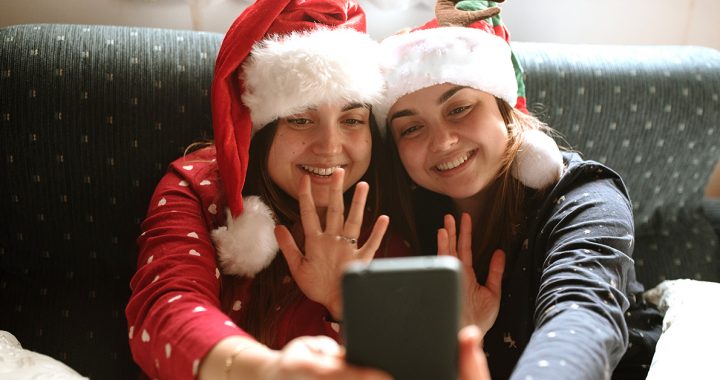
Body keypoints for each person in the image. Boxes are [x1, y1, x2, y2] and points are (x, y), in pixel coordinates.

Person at [124, 1, 416, 378]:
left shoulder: (385, 208)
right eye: (300, 119)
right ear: (257, 131)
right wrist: (268, 371)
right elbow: (166, 308)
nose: (330, 145)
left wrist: (345, 306)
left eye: (352, 119)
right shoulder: (197, 187)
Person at [374, 3, 662, 379]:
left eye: (459, 108)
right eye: (411, 129)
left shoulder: (586, 198)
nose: (442, 142)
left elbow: (582, 318)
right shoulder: (395, 222)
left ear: (504, 109)